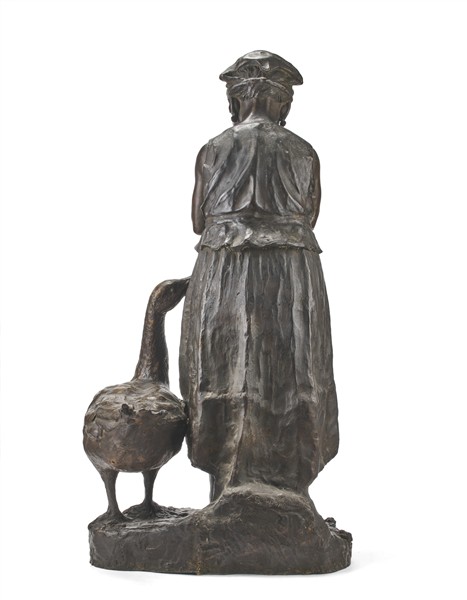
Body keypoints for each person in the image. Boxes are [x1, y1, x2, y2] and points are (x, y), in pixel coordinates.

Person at [179, 51, 339, 502]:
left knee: (219, 366)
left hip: (224, 267)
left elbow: (197, 220)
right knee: (293, 368)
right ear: (282, 103)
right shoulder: (303, 151)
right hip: (291, 272)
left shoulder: (213, 148)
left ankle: (228, 487)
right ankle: (287, 487)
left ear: (237, 100)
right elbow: (310, 214)